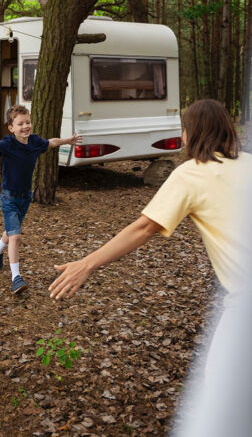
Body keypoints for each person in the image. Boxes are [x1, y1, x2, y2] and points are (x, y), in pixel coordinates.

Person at [49, 99, 252, 378]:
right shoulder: (248, 163)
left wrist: (87, 263)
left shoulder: (192, 173)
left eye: (184, 129)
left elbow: (144, 228)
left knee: (220, 383)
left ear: (192, 133)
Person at [0, 104, 82, 294]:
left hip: (25, 196)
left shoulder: (35, 142)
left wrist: (68, 140)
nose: (25, 126)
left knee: (11, 232)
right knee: (16, 236)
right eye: (20, 124)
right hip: (9, 196)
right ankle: (16, 278)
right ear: (11, 128)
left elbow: (51, 142)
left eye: (27, 122)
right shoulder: (8, 144)